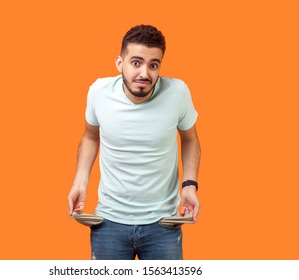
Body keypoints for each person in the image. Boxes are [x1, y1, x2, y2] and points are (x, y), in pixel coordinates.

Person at [67, 24, 201, 260]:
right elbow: (89, 137)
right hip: (109, 222)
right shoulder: (98, 91)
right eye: (136, 62)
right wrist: (80, 182)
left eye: (153, 65)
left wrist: (189, 185)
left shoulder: (178, 92)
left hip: (163, 223)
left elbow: (190, 139)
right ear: (120, 63)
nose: (144, 74)